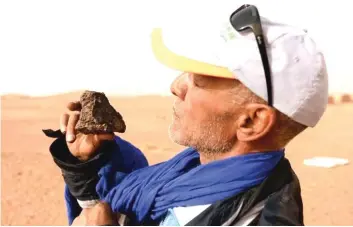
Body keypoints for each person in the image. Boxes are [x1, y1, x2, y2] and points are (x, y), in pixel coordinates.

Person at [45, 4, 328, 226]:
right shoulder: (182, 178)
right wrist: (86, 165)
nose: (176, 86)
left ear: (252, 122)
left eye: (199, 80)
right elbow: (106, 212)